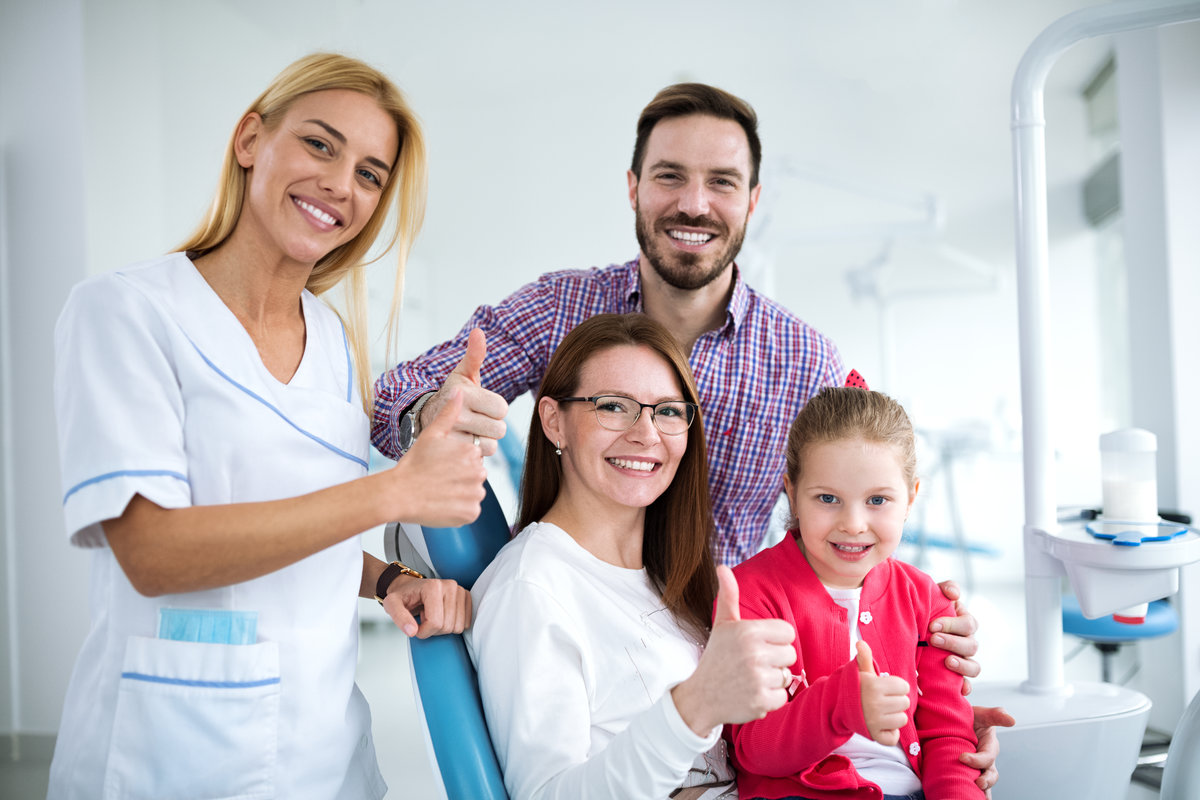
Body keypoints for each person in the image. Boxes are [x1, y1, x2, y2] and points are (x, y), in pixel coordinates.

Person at [371, 81, 1001, 746]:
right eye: (669, 176)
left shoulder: (804, 359)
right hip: (594, 669)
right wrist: (434, 419)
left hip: (734, 683)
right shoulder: (560, 308)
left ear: (753, 201)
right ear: (633, 187)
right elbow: (391, 404)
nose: (694, 204)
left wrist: (927, 668)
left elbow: (842, 541)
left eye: (722, 182)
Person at [49, 53, 487, 799]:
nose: (340, 185)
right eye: (320, 144)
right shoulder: (126, 312)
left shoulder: (333, 346)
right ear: (250, 140)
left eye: (370, 173)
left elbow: (299, 532)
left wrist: (385, 579)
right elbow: (151, 554)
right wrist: (393, 494)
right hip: (171, 754)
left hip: (327, 752)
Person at [466, 313, 799, 799]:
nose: (647, 434)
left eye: (667, 411)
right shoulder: (531, 587)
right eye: (614, 406)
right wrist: (697, 704)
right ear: (554, 422)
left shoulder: (671, 577)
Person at [729, 387, 1002, 799]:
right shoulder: (751, 594)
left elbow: (948, 736)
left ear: (910, 498)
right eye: (827, 498)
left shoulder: (929, 600)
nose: (854, 524)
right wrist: (843, 705)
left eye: (877, 500)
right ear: (792, 493)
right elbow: (754, 749)